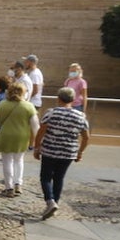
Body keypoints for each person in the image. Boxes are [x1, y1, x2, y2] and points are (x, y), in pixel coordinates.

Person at [34, 87, 91, 219]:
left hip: (50, 151)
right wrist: (80, 152)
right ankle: (55, 203)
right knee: (59, 178)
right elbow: (86, 137)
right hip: (68, 152)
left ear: (58, 98)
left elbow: (40, 132)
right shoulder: (80, 116)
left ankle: (50, 202)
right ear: (72, 100)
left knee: (46, 177)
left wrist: (37, 148)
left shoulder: (51, 113)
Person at [0, 83, 39, 197]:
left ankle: (9, 188)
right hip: (22, 137)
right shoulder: (29, 106)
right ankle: (18, 184)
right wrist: (38, 141)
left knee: (7, 161)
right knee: (19, 160)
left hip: (6, 136)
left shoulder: (3, 104)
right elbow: (35, 126)